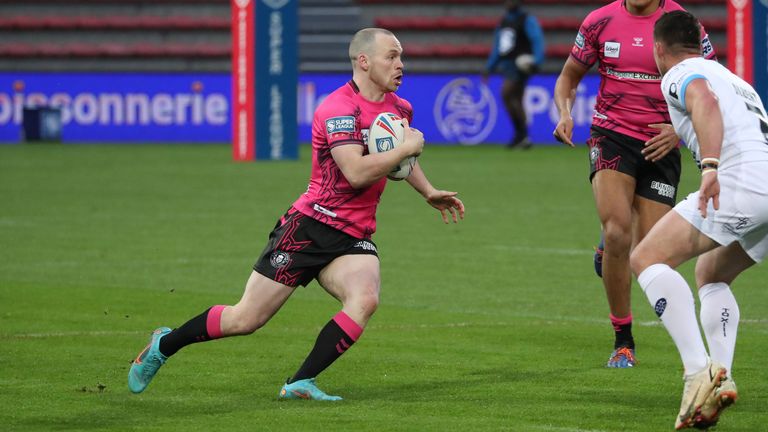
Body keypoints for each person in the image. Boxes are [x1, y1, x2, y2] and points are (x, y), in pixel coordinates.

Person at [127, 28, 465, 401]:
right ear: (363, 61)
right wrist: (406, 149)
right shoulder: (337, 109)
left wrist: (427, 190)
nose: (401, 64)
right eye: (392, 56)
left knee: (365, 299)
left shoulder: (399, 108)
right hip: (309, 227)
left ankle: (300, 382)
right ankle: (164, 344)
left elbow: (399, 165)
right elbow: (355, 172)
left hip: (353, 234)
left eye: (401, 56)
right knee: (246, 319)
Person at [552, 0, 716, 368]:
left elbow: (710, 87)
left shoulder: (682, 23)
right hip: (612, 135)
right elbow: (568, 77)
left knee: (649, 252)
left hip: (662, 143)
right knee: (617, 233)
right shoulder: (599, 21)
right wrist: (564, 113)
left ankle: (608, 249)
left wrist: (677, 130)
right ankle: (623, 340)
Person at [630, 10, 768, 429]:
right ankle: (720, 379)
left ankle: (697, 371)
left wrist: (709, 167)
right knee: (711, 273)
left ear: (658, 49)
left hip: (740, 183)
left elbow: (703, 102)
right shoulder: (737, 81)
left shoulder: (680, 72)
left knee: (646, 258)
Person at [483, 0, 545, 149]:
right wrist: (489, 67)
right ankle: (522, 136)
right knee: (515, 99)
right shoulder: (504, 22)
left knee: (507, 93)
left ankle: (522, 135)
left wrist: (536, 60)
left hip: (521, 65)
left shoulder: (526, 19)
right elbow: (498, 47)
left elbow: (537, 40)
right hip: (507, 65)